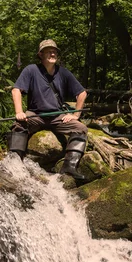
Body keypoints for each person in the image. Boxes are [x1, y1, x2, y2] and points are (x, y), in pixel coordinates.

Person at [8, 39, 88, 180]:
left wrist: (76, 115)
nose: (53, 53)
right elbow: (16, 90)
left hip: (57, 116)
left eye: (54, 51)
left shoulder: (64, 73)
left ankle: (69, 167)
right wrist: (19, 112)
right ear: (41, 54)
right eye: (49, 51)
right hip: (36, 115)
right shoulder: (31, 70)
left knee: (80, 128)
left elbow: (82, 93)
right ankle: (15, 163)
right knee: (19, 125)